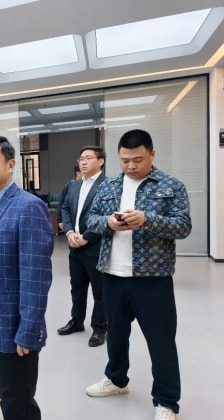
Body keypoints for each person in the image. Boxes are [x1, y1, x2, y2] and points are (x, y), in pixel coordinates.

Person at [85, 129, 191, 420]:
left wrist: (147, 220)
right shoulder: (109, 186)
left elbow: (183, 226)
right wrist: (108, 223)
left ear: (152, 155)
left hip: (152, 279)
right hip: (113, 274)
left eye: (138, 160)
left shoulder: (171, 186)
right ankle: (116, 379)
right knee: (116, 335)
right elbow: (91, 220)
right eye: (125, 160)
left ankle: (167, 401)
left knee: (161, 342)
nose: (131, 166)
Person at [0, 136, 53, 420]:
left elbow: (36, 276)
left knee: (19, 403)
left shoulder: (28, 207)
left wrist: (29, 329)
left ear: (11, 165)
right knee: (5, 394)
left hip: (14, 326)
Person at [57, 146, 107, 347]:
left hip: (95, 246)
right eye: (81, 159)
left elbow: (108, 215)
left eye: (88, 158)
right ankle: (76, 321)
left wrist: (87, 237)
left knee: (99, 290)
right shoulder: (75, 185)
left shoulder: (108, 185)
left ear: (101, 161)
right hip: (74, 246)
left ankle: (100, 327)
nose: (83, 162)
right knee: (77, 287)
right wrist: (69, 232)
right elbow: (65, 209)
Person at [57, 166, 82, 232]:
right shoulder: (68, 185)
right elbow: (61, 203)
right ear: (77, 173)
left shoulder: (85, 185)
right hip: (70, 217)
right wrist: (60, 220)